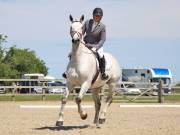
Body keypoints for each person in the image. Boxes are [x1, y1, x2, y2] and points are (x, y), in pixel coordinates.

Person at [63, 7, 108, 80]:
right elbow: (81, 32)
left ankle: (103, 73)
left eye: (98, 16)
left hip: (96, 45)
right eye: (95, 15)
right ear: (93, 15)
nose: (97, 17)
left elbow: (103, 40)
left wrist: (96, 47)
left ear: (101, 17)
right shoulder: (87, 22)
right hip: (85, 44)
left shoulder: (102, 27)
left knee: (101, 55)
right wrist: (78, 37)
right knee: (72, 52)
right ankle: (67, 71)